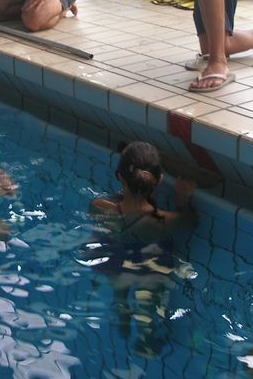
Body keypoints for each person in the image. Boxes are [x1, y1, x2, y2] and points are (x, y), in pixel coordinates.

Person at [86, 140, 198, 356]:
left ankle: (122, 315)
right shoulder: (162, 221)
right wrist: (182, 199)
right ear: (160, 179)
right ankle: (145, 337)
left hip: (114, 264)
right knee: (151, 294)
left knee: (120, 289)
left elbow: (119, 212)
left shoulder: (98, 207)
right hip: (148, 268)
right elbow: (191, 222)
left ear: (119, 177)